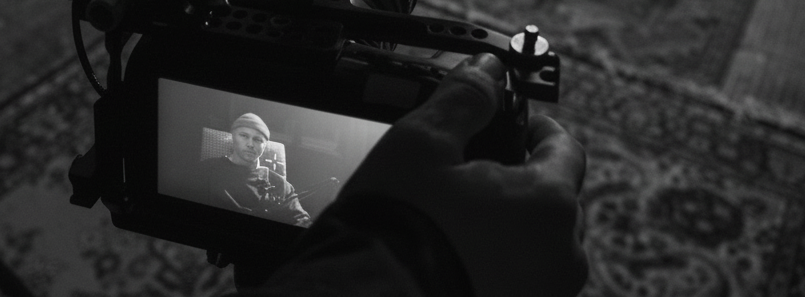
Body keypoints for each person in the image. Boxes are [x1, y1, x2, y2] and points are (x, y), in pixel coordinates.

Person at [235, 53, 588, 297]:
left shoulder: (277, 180)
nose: (252, 146)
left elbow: (297, 214)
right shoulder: (219, 173)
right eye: (244, 137)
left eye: (258, 140)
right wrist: (421, 262)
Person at [197, 113, 312, 227]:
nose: (250, 144)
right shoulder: (207, 170)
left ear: (265, 145)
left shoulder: (280, 184)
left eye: (258, 139)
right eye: (244, 136)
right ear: (232, 137)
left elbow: (301, 219)